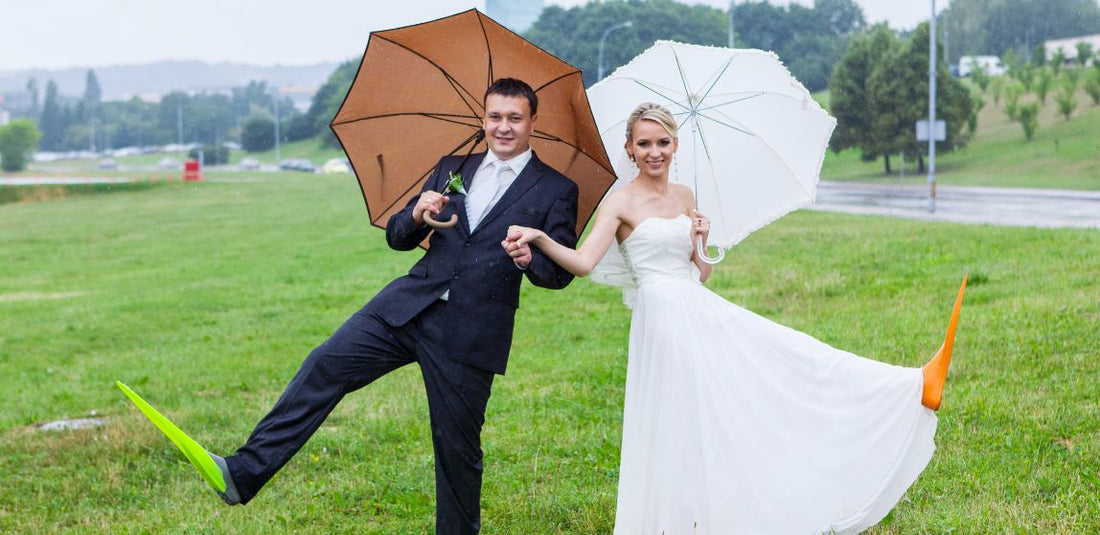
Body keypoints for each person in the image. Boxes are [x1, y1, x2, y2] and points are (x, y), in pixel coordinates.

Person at [127, 78, 579, 535]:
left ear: (532, 123)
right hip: (406, 307)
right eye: (495, 117)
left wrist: (529, 259)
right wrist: (417, 214)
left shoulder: (555, 189)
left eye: (514, 118)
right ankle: (243, 474)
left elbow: (559, 272)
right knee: (326, 364)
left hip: (471, 330)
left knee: (456, 449)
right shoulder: (452, 166)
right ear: (483, 119)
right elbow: (398, 237)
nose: (503, 127)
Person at [502, 102, 966, 534]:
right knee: (683, 417)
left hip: (695, 306)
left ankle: (910, 387)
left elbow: (700, 273)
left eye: (662, 142)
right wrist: (540, 237)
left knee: (783, 355)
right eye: (643, 144)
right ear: (629, 149)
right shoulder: (619, 203)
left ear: (675, 145)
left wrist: (702, 238)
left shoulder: (686, 195)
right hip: (662, 320)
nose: (654, 152)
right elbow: (584, 263)